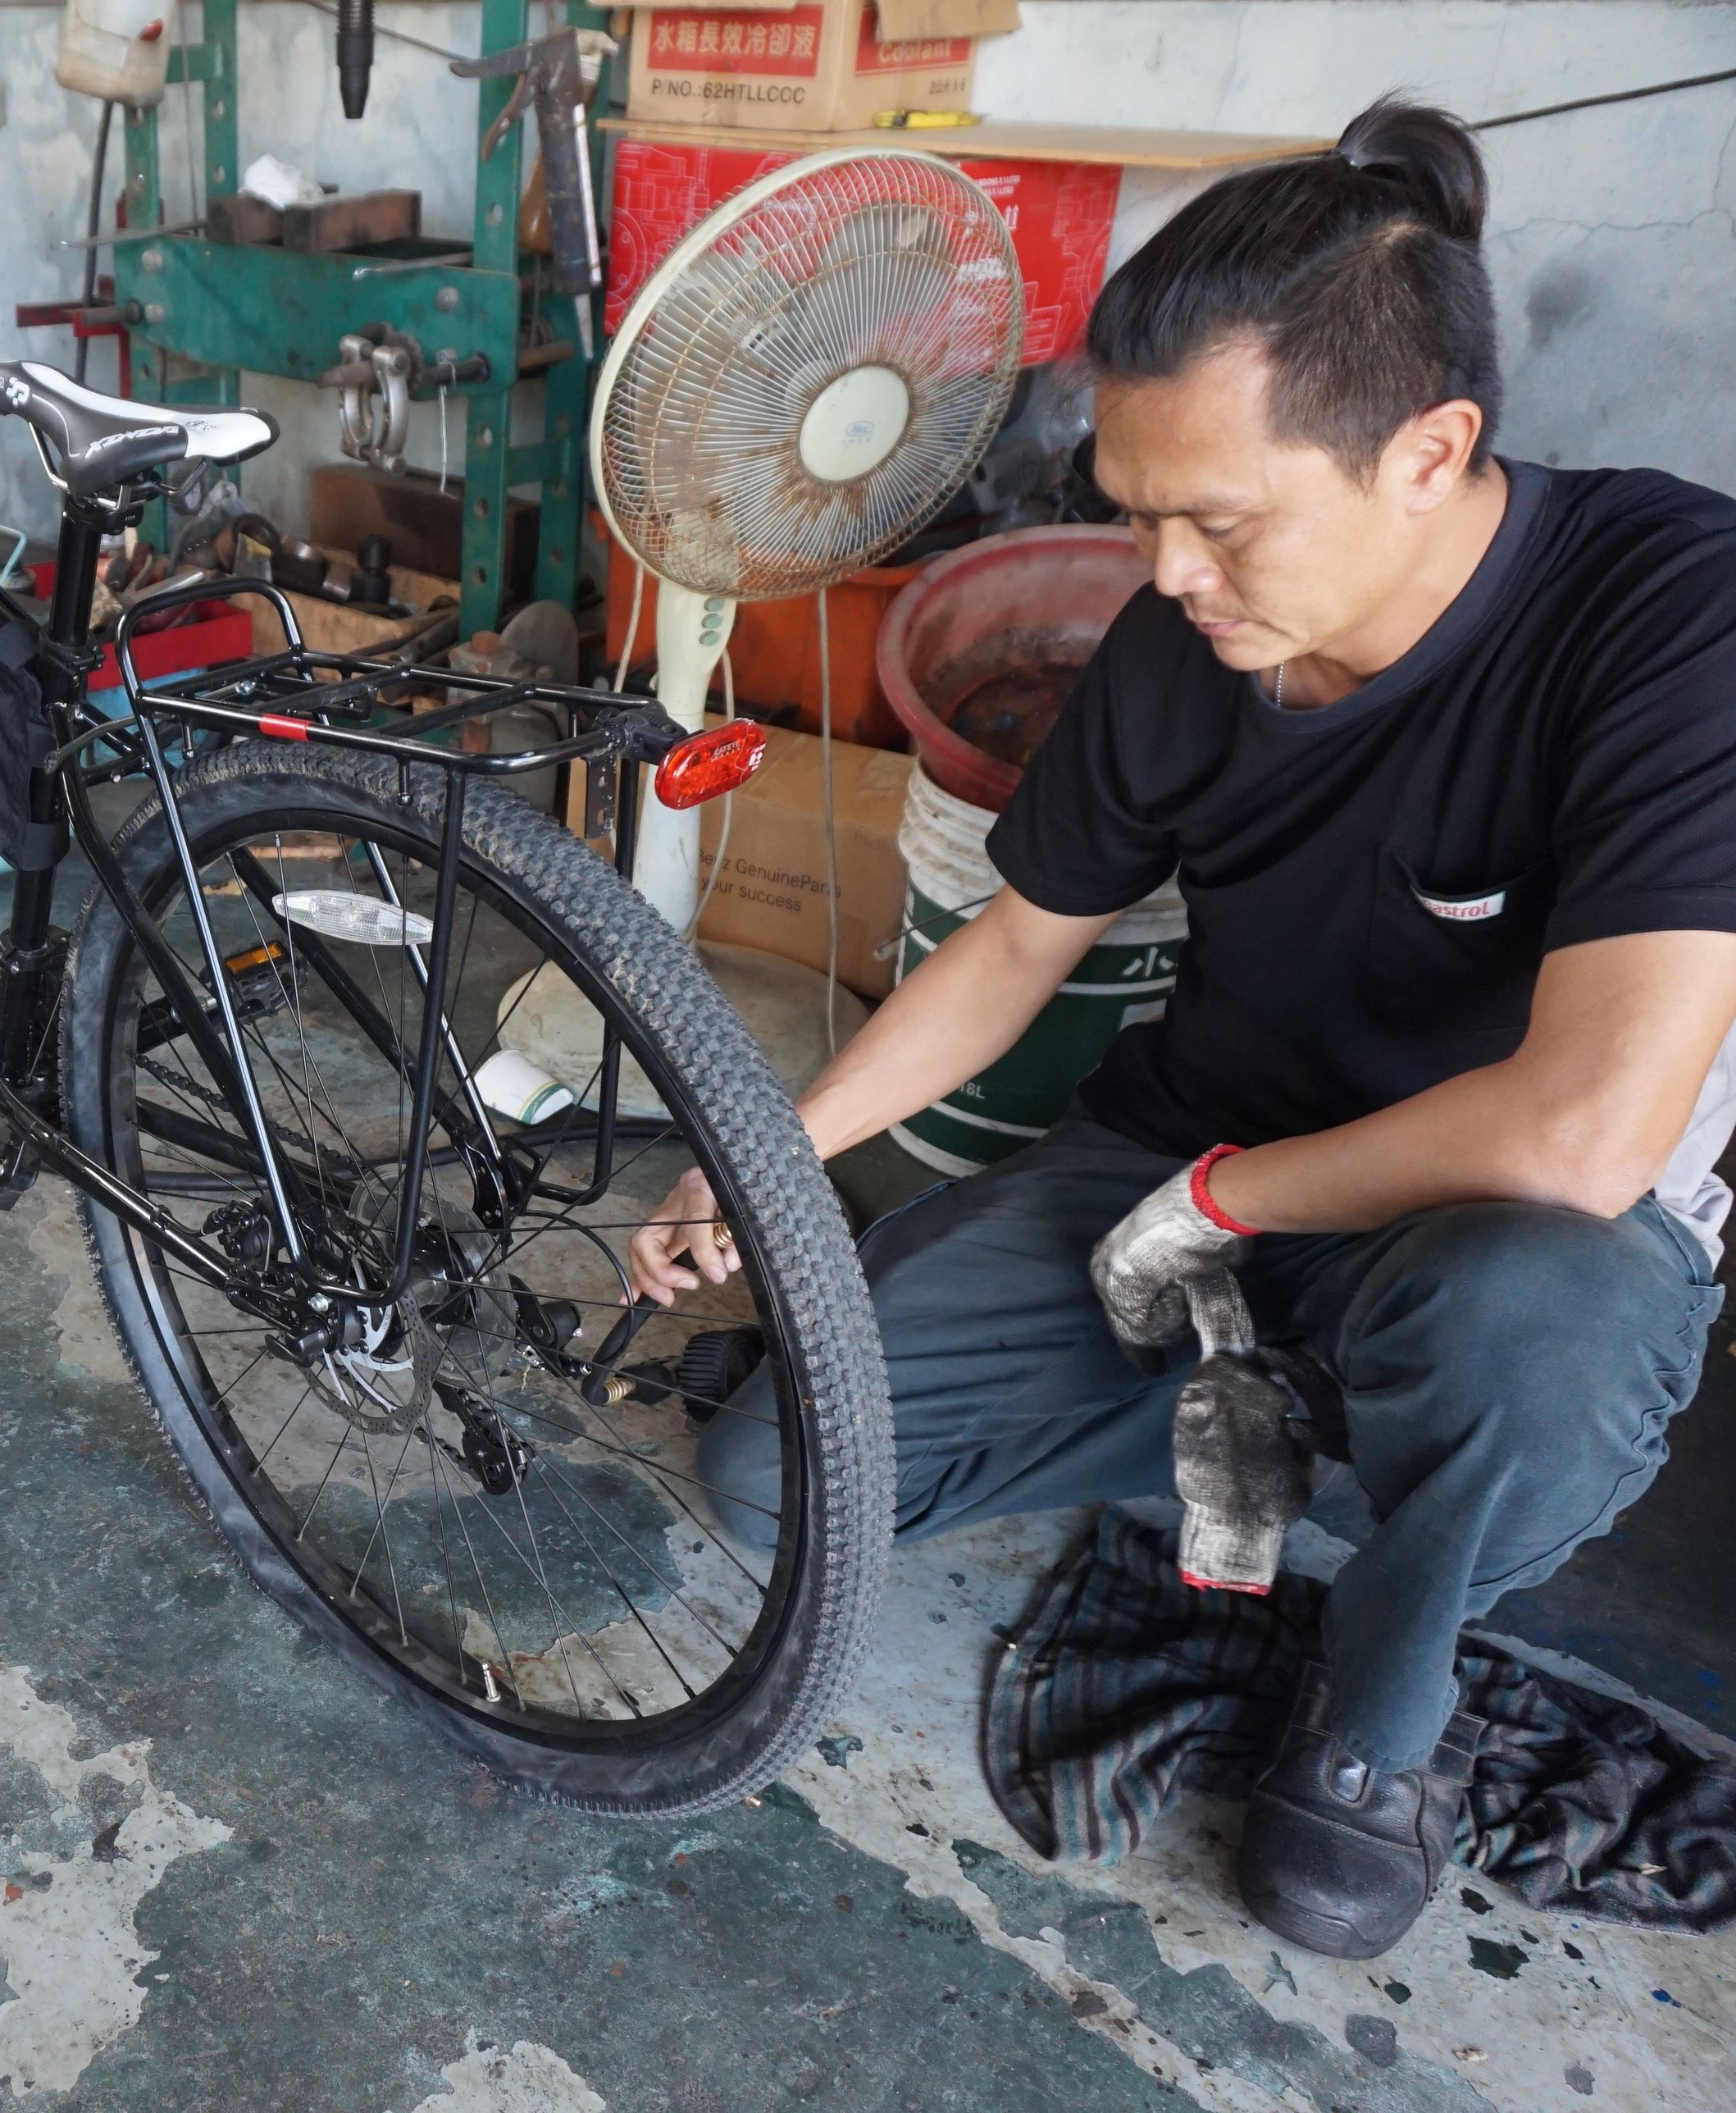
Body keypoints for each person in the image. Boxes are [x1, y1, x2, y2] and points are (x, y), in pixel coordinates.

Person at [626, 95, 1736, 1960]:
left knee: (1522, 1340)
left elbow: (1581, 1133)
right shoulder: (1182, 643)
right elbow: (1006, 954)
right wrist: (765, 1152)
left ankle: (1382, 1718)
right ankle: (1255, 1421)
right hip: (1192, 1160)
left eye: (1214, 521)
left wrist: (1218, 1204)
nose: (1164, 577)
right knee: (772, 1478)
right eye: (1137, 518)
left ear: (1426, 451)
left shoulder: (1668, 617)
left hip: (1497, 1232)